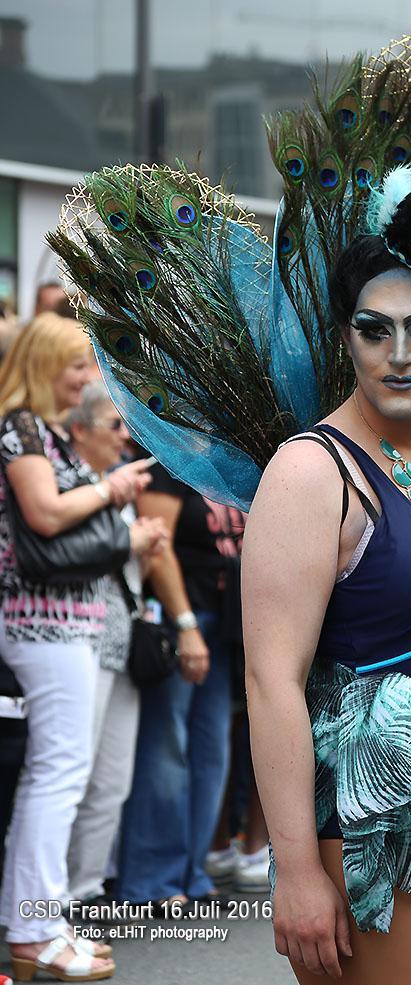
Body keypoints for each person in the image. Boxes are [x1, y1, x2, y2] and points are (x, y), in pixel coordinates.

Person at [49, 23, 411, 984]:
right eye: (372, 328)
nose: (398, 351)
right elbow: (270, 681)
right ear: (345, 334)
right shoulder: (313, 469)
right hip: (373, 814)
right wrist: (295, 866)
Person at [0, 314, 156, 982]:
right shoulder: (21, 428)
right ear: (42, 365)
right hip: (43, 622)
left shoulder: (43, 432)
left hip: (65, 621)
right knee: (58, 772)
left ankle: (39, 920)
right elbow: (44, 514)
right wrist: (111, 489)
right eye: (76, 367)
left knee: (58, 772)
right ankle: (34, 929)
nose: (87, 379)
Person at [115, 465, 244, 912]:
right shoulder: (165, 465)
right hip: (181, 620)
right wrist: (186, 626)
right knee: (167, 747)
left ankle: (192, 872)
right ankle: (152, 880)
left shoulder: (220, 462)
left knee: (212, 752)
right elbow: (157, 546)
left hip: (224, 624)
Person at [65, 381, 168, 905]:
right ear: (78, 430)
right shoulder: (69, 486)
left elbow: (127, 570)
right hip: (81, 643)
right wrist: (134, 540)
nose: (125, 437)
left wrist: (144, 549)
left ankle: (82, 893)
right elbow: (72, 552)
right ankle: (47, 904)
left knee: (111, 780)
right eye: (114, 425)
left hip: (121, 644)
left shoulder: (113, 483)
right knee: (72, 776)